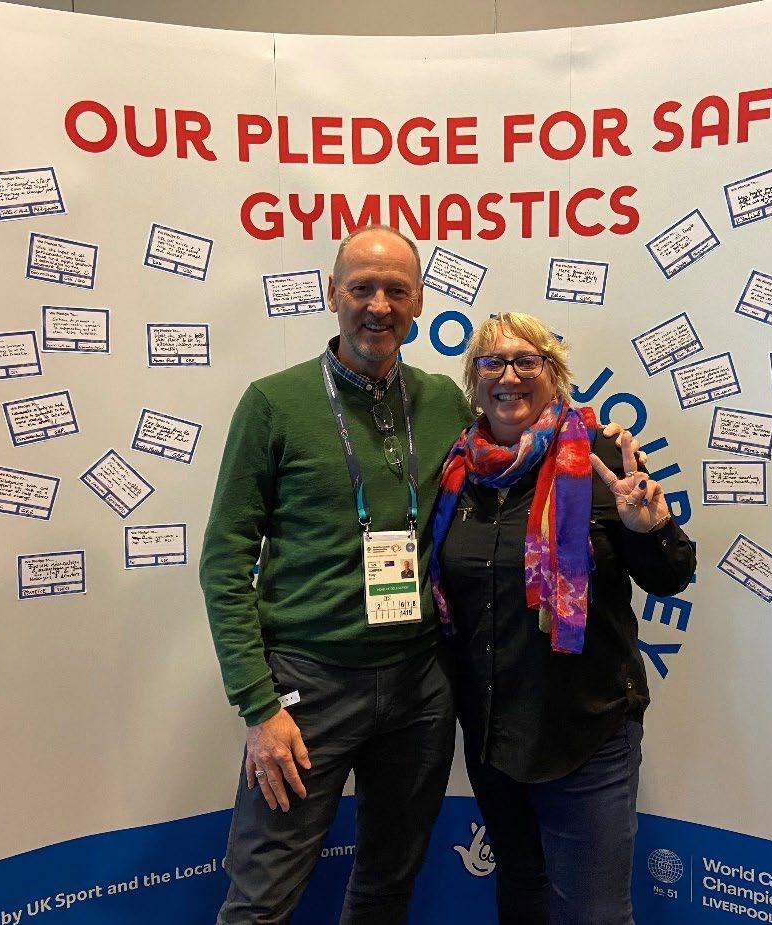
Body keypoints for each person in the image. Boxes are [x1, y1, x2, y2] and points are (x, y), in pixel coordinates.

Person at [199, 225, 474, 923]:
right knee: (261, 899)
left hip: (419, 687)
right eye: (361, 288)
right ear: (332, 294)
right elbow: (225, 559)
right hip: (306, 689)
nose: (378, 305)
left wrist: (595, 446)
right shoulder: (274, 402)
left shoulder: (444, 401)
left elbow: (516, 453)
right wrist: (259, 707)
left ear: (419, 302)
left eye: (396, 290)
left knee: (387, 886)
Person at [428, 312, 696, 925]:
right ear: (474, 381)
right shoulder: (459, 472)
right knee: (523, 893)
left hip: (586, 729)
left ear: (555, 374)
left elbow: (670, 576)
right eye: (492, 363)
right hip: (494, 734)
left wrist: (650, 528)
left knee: (593, 915)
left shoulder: (598, 459)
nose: (509, 376)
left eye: (528, 361)